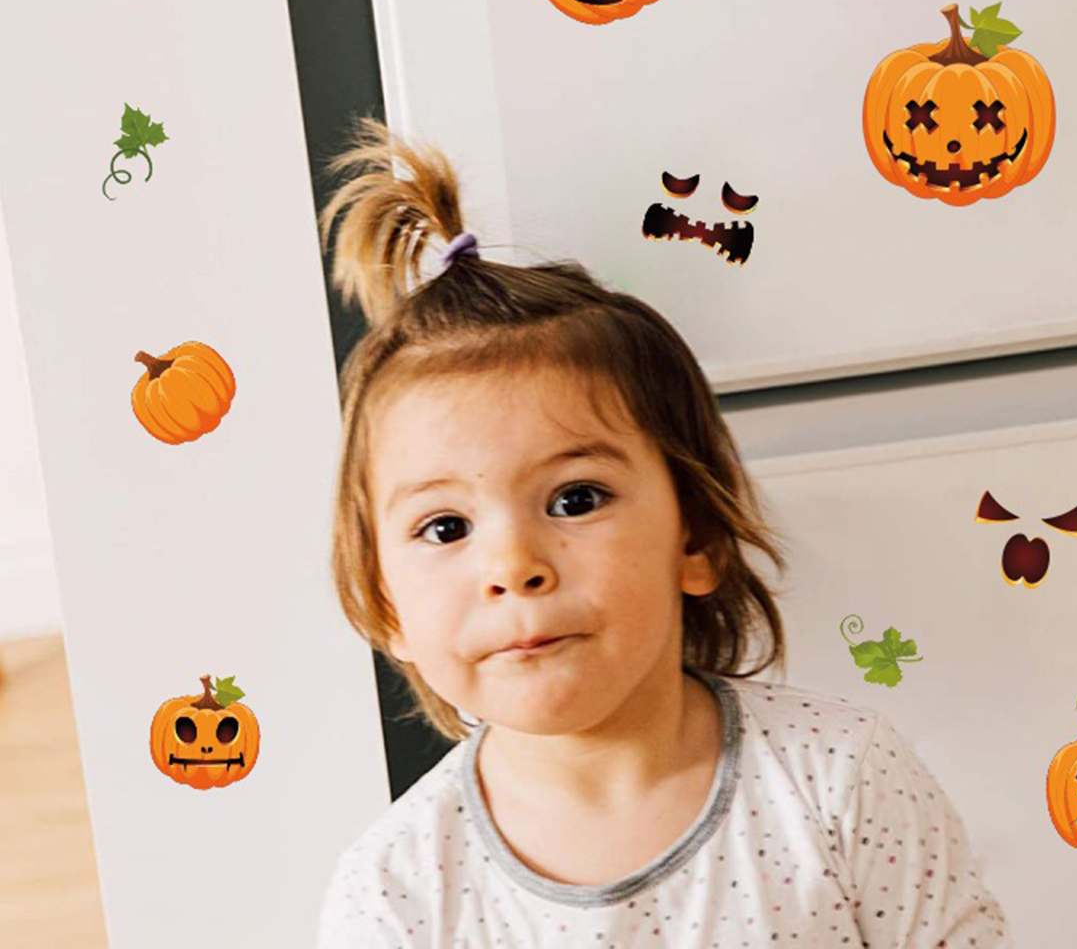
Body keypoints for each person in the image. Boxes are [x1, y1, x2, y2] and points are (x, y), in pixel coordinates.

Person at [314, 117, 1011, 947]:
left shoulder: (842, 778)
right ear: (384, 602)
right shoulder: (395, 893)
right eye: (444, 527)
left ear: (697, 537)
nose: (513, 564)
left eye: (575, 499)